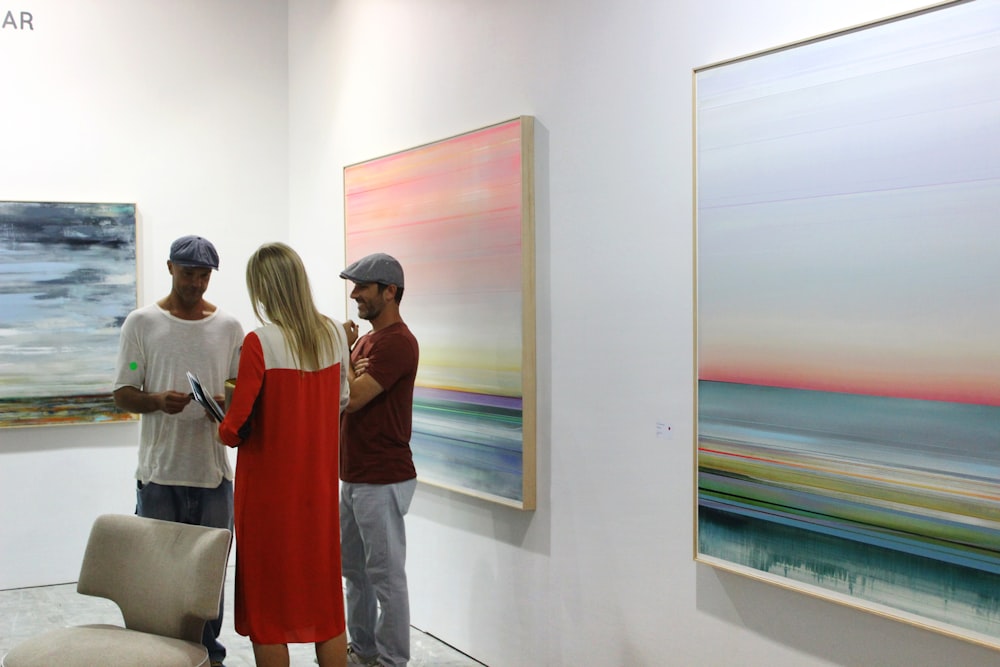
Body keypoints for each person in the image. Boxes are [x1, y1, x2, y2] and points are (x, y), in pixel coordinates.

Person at [217, 242, 350, 667]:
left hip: (269, 499)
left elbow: (234, 428)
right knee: (325, 604)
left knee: (268, 609)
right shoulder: (332, 334)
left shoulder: (260, 343)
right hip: (319, 493)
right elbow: (342, 399)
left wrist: (221, 418)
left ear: (263, 288)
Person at [113, 234, 243, 667]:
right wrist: (154, 401)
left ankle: (209, 656)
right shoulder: (142, 324)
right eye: (189, 273)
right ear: (170, 268)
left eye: (204, 275)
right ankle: (158, 655)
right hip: (159, 475)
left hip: (212, 475)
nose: (197, 283)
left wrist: (224, 407)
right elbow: (124, 391)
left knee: (207, 581)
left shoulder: (228, 328)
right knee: (157, 580)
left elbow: (239, 390)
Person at [338, 253, 420, 667]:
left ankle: (391, 661)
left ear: (390, 292)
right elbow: (344, 391)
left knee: (386, 580)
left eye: (363, 287)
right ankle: (364, 650)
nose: (354, 294)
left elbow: (349, 400)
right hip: (354, 475)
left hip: (382, 478)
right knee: (354, 572)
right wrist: (348, 357)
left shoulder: (397, 343)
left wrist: (345, 365)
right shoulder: (366, 342)